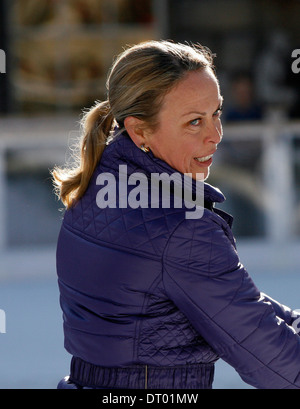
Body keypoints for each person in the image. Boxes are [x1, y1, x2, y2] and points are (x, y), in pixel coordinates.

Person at [52, 40, 300, 389]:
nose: (215, 136)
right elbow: (280, 366)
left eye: (216, 113)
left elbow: (238, 305)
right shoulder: (181, 229)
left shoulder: (97, 189)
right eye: (194, 122)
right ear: (140, 131)